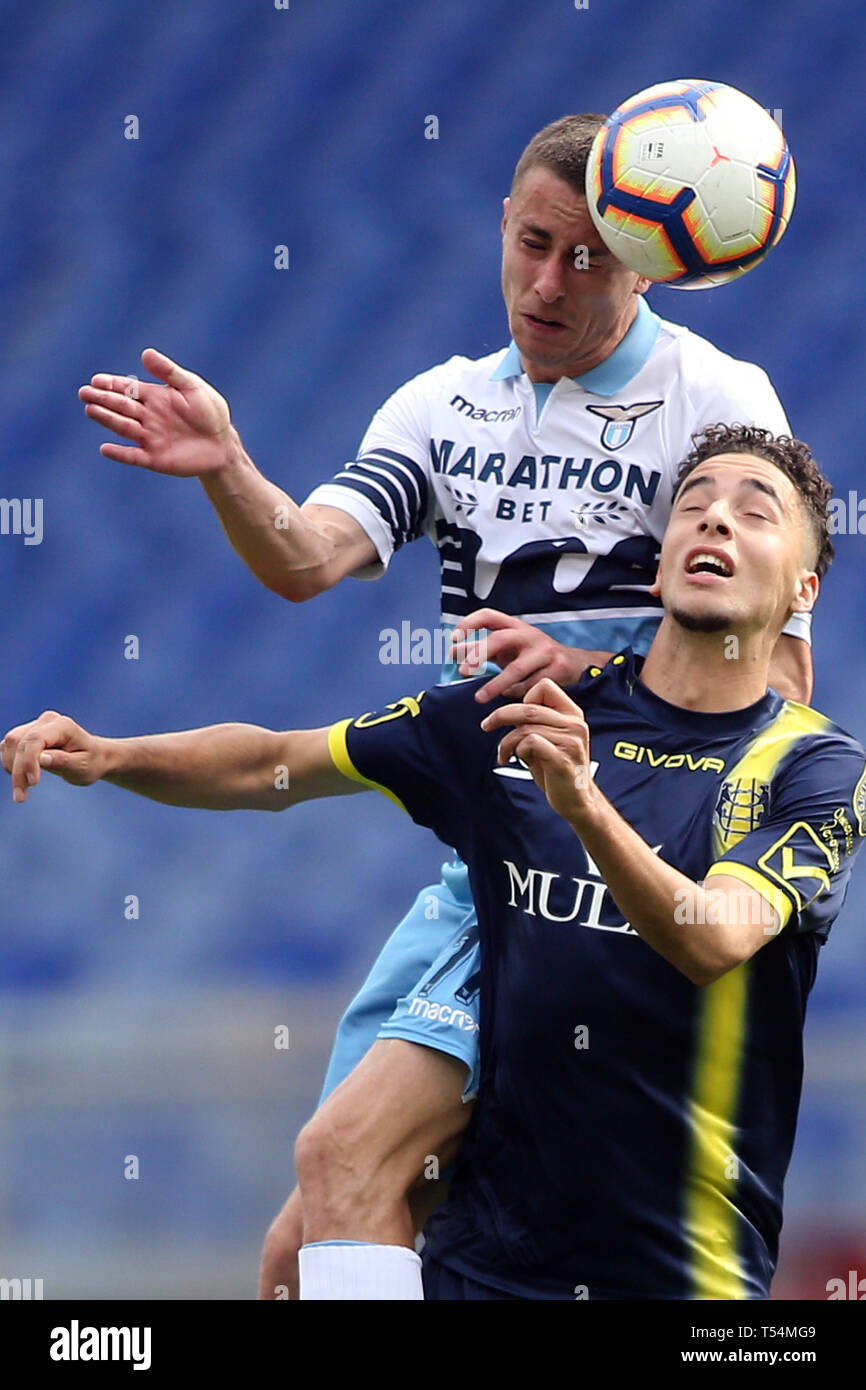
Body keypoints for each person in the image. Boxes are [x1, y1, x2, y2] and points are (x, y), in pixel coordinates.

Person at [76, 115, 813, 1297]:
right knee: (300, 1247)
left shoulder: (717, 401)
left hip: (607, 863)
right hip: (483, 865)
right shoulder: (445, 406)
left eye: (585, 257)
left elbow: (779, 680)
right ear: (500, 228)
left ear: (645, 260)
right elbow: (308, 556)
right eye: (530, 243)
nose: (546, 281)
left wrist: (582, 657)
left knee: (343, 1160)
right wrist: (229, 467)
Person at [5, 427, 861, 1299]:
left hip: (679, 1268)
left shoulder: (817, 769)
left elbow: (710, 938)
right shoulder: (522, 715)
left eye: (754, 512)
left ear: (804, 587)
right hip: (485, 1258)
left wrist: (584, 805)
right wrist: (109, 754)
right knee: (320, 1199)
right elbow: (277, 763)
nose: (716, 519)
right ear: (660, 556)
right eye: (694, 505)